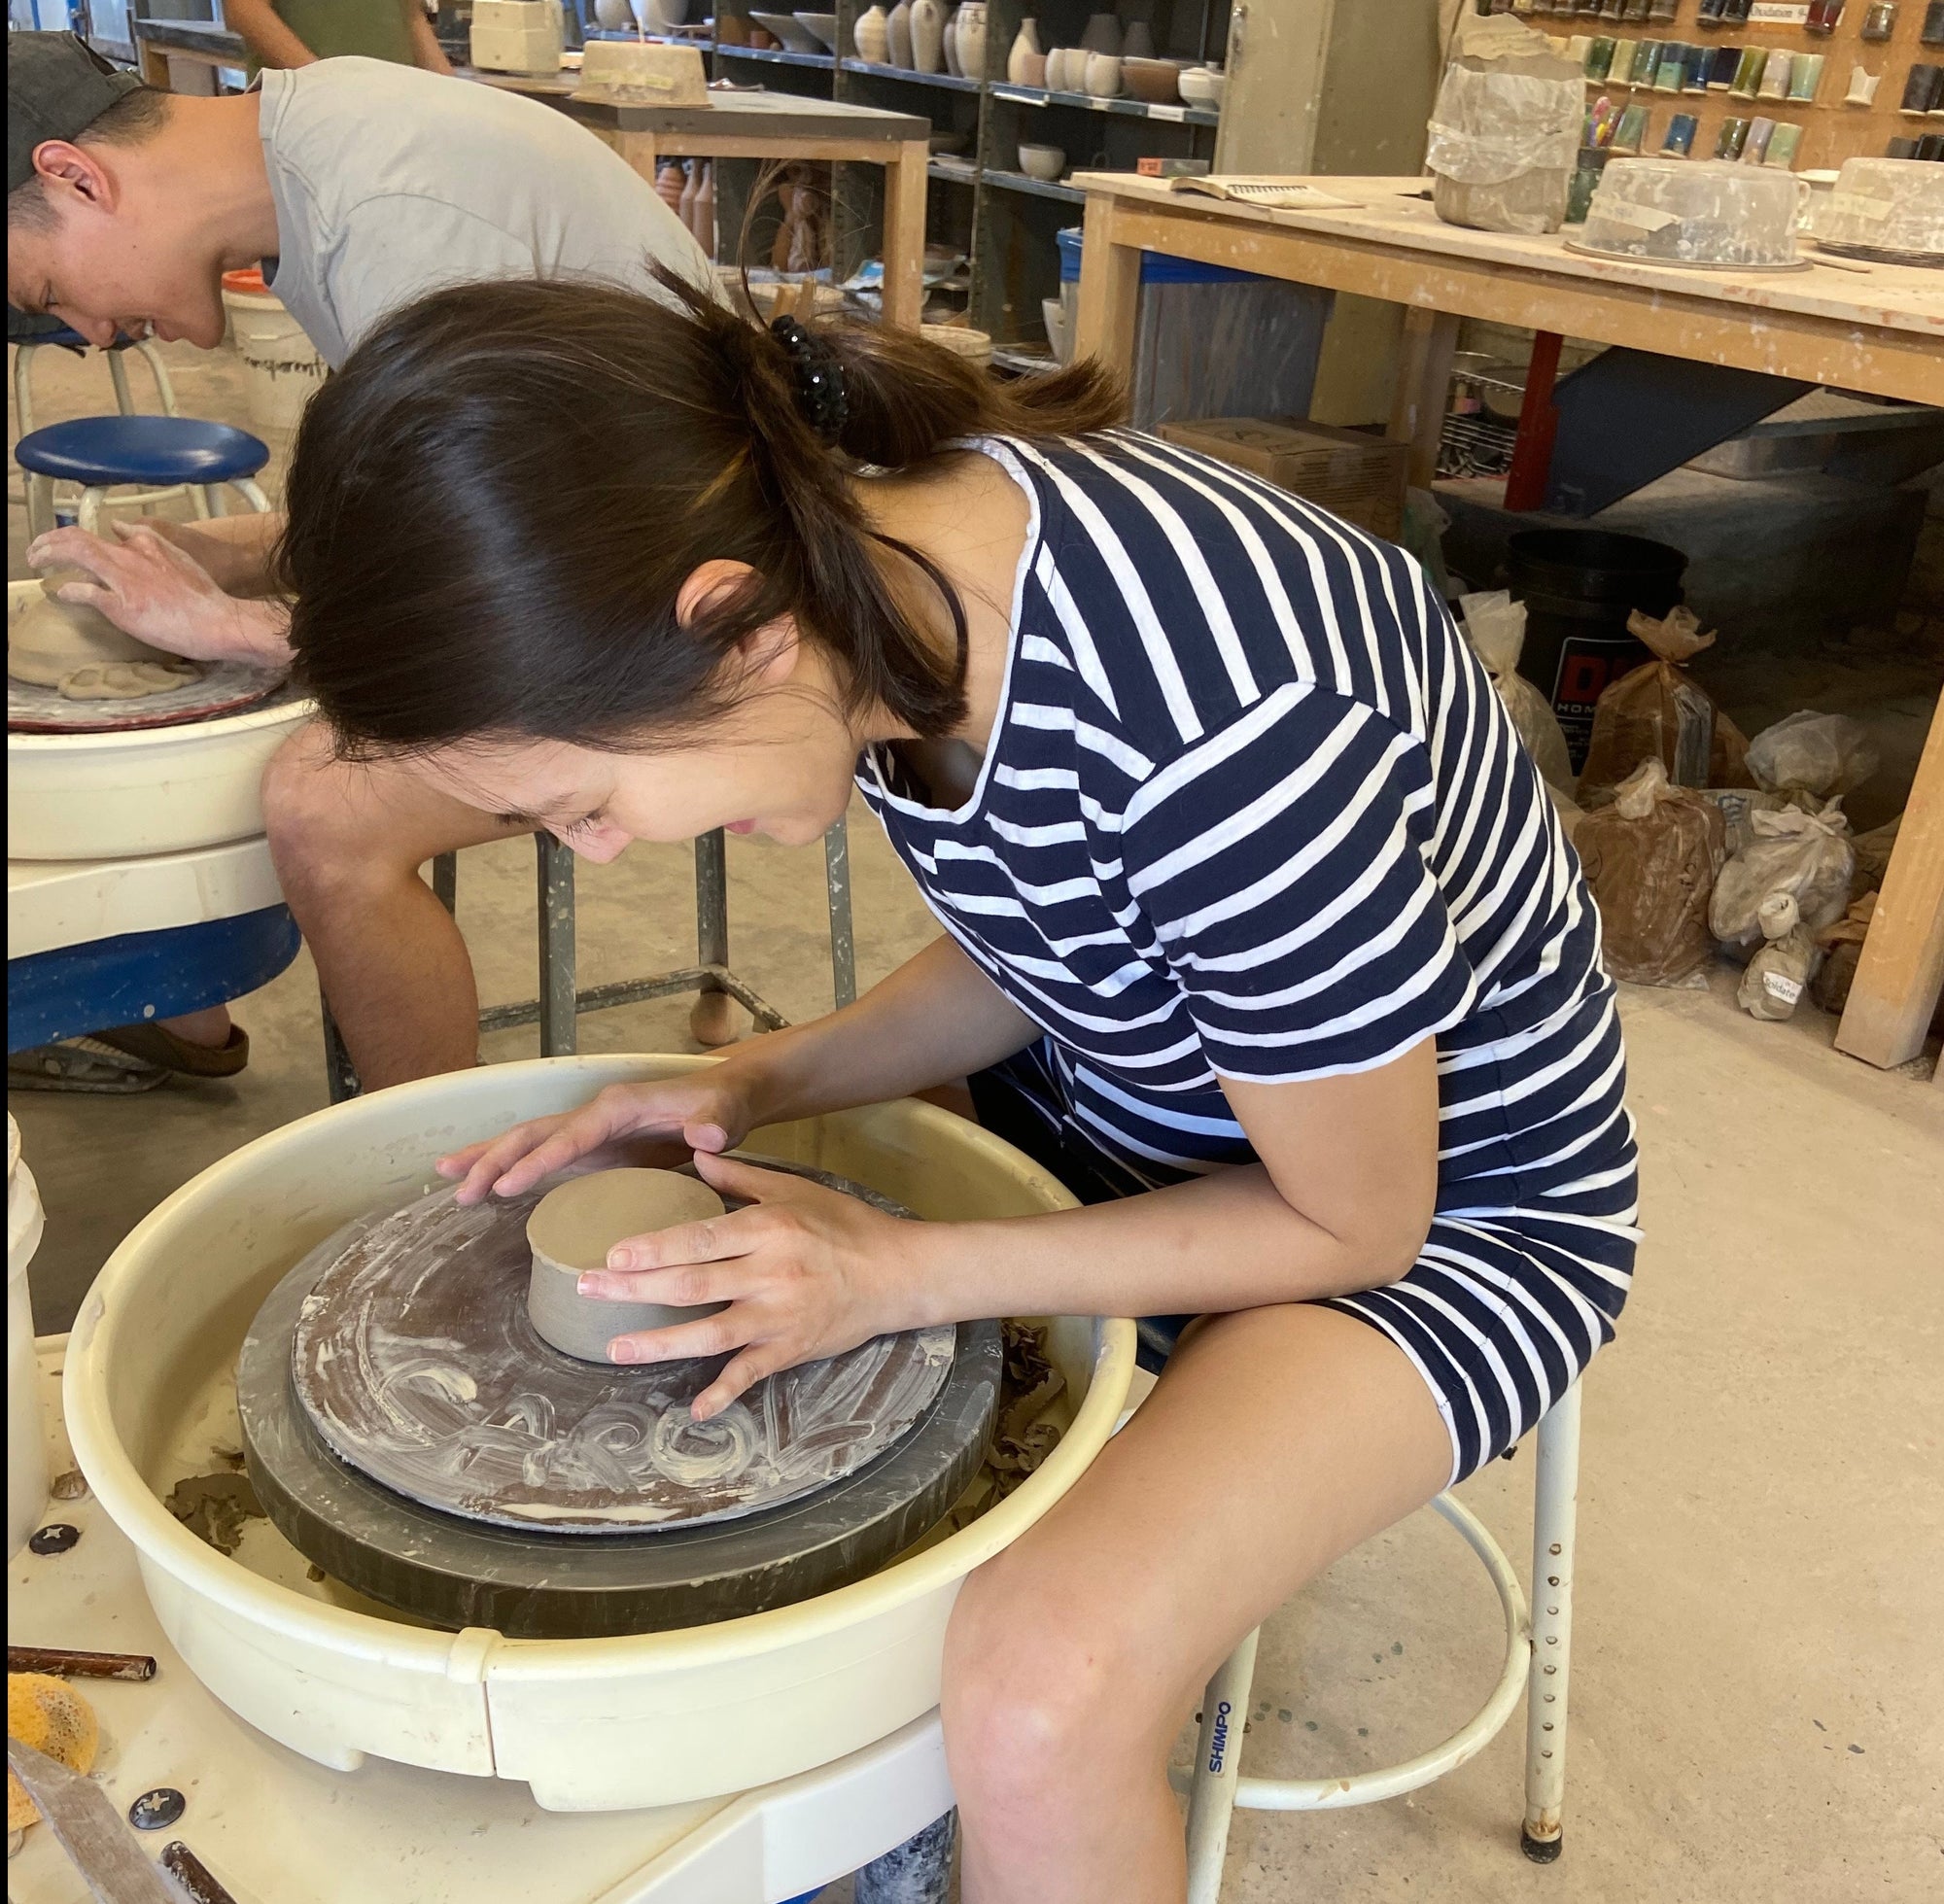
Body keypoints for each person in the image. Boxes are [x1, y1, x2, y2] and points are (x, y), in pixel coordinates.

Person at [271, 273, 1641, 1902]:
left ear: (730, 620)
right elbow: (1054, 940)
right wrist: (746, 1076)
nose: (600, 848)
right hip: (1141, 1102)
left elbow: (1353, 1214)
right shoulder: (884, 589)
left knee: (1036, 1681)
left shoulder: (1227, 724)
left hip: (1444, 1212)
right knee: (827, 1449)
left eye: (581, 798)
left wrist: (897, 1267)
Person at [7, 32, 715, 1086]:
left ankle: (417, 1191)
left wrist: (243, 628)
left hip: (706, 604)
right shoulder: (319, 140)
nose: (91, 337)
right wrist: (207, 558)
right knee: (205, 644)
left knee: (320, 799)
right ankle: (180, 1013)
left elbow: (494, 601)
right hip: (604, 542)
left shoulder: (392, 223)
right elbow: (420, 506)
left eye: (46, 293)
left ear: (75, 176)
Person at [226, 0, 455, 78]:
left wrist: (456, 96)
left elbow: (411, 17)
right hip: (304, 115)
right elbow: (246, 10)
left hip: (390, 112)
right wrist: (327, 86)